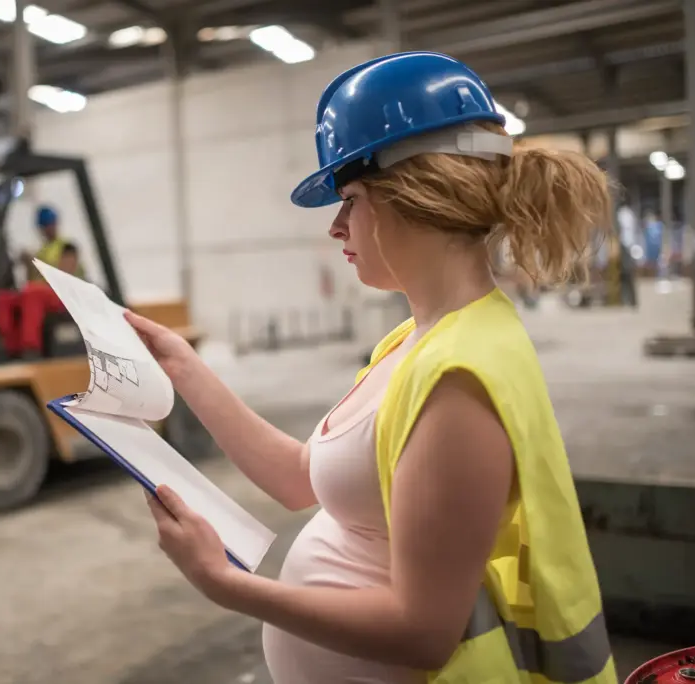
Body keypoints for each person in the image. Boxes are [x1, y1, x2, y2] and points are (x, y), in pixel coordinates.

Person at [124, 51, 617, 683]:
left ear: (419, 193)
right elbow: (304, 478)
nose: (336, 227)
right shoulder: (417, 340)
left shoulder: (457, 381)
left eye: (350, 199)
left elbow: (423, 633)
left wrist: (224, 583)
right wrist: (184, 367)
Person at [21, 204, 86, 281]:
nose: (49, 228)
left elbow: (66, 275)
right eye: (46, 225)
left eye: (50, 224)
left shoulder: (67, 246)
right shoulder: (41, 253)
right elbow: (34, 280)